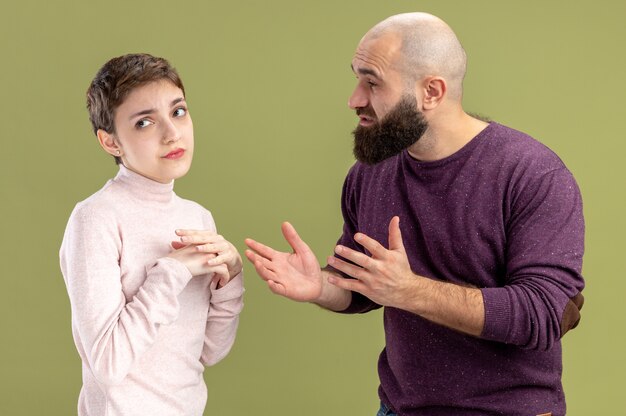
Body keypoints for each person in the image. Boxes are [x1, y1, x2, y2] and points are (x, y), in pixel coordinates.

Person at [245, 12, 584, 416]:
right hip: (398, 408)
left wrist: (409, 290)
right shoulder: (368, 176)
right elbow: (366, 288)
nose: (354, 99)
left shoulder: (532, 174)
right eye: (357, 79)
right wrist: (321, 286)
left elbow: (544, 314)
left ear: (432, 92)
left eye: (372, 82)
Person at [59, 53, 244, 416]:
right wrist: (173, 271)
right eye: (145, 122)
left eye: (178, 112)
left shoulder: (197, 217)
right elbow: (108, 364)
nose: (172, 133)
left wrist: (231, 282)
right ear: (110, 142)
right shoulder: (95, 218)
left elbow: (208, 352)